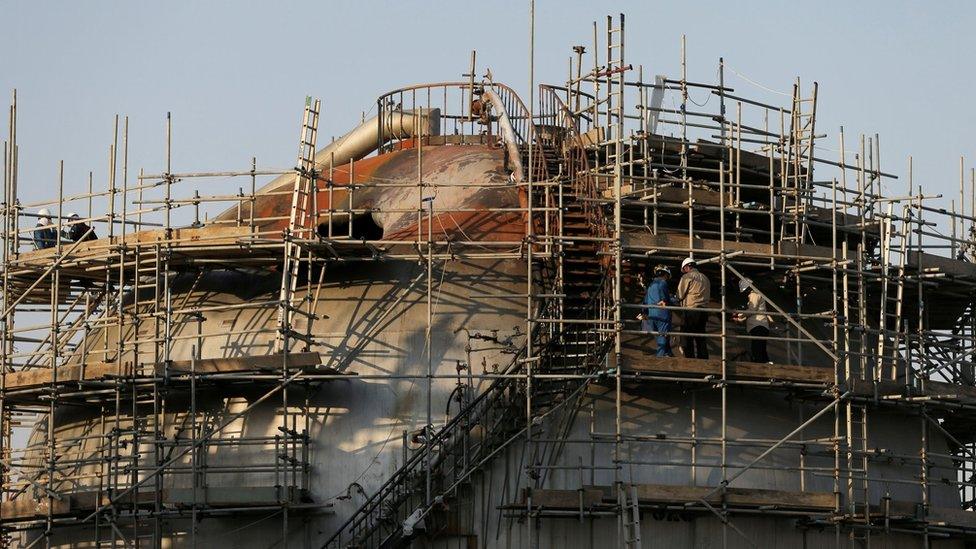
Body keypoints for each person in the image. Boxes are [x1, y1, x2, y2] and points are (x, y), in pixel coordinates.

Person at [637, 264, 676, 357]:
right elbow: (665, 299)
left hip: (651, 314)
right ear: (665, 274)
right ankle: (660, 358)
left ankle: (668, 353)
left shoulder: (651, 285)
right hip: (662, 314)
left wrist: (644, 312)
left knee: (659, 336)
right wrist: (677, 299)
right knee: (663, 335)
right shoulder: (663, 283)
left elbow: (645, 300)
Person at [676, 257, 711, 359]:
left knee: (686, 338)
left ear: (687, 267)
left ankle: (690, 361)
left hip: (691, 311)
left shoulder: (687, 277)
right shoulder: (705, 278)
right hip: (704, 311)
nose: (684, 271)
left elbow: (680, 294)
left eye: (684, 269)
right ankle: (704, 361)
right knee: (701, 338)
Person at [733, 278, 771, 363]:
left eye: (746, 290)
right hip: (760, 325)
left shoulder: (754, 294)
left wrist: (739, 315)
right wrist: (740, 318)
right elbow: (752, 311)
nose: (746, 292)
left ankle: (760, 369)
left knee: (757, 350)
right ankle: (767, 368)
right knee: (761, 350)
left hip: (758, 325)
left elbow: (752, 310)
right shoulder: (756, 294)